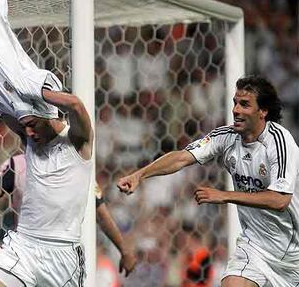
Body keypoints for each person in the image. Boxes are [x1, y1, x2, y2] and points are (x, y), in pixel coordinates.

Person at [0, 0, 94, 287]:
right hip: (23, 244)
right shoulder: (31, 140)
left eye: (31, 125)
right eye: (24, 126)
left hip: (63, 255)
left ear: (47, 113)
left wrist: (40, 92)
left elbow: (77, 105)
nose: (26, 133)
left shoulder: (78, 141)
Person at [117, 76, 299, 287]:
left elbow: (280, 200)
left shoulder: (280, 141)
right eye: (235, 103)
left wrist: (225, 196)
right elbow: (181, 157)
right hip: (255, 247)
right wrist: (139, 175)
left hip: (293, 252)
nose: (236, 110)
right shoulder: (226, 137)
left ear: (263, 111)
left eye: (245, 104)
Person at [0, 154, 137, 278]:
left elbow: (101, 214)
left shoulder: (77, 169)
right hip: (25, 254)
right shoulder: (18, 164)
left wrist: (125, 250)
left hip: (63, 258)